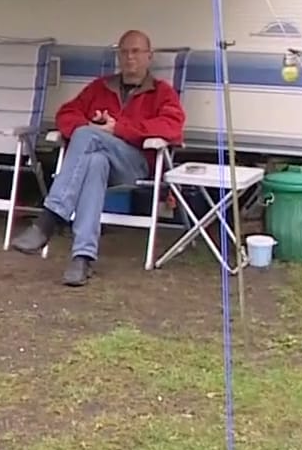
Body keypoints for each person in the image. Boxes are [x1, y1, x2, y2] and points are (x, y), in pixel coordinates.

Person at [10, 29, 186, 286]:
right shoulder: (100, 88)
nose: (129, 58)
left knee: (87, 136)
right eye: (124, 52)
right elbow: (66, 114)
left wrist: (119, 129)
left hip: (135, 163)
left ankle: (50, 219)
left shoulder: (162, 92)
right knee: (94, 162)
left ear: (150, 56)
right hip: (102, 161)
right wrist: (94, 125)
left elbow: (172, 127)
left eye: (136, 52)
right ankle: (82, 258)